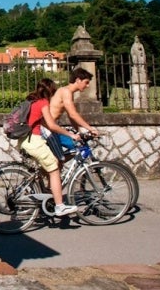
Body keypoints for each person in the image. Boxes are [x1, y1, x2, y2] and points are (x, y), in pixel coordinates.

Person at [19, 78, 81, 216]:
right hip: (34, 141)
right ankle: (60, 206)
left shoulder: (31, 101)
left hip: (24, 141)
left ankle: (45, 195)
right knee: (54, 168)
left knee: (45, 167)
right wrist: (70, 134)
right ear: (51, 91)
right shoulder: (43, 103)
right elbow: (52, 125)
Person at [50, 68, 100, 138]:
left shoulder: (68, 92)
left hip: (52, 126)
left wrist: (78, 131)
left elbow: (71, 116)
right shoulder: (66, 92)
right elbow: (73, 114)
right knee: (67, 145)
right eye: (86, 82)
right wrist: (90, 129)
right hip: (48, 127)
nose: (87, 86)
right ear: (78, 80)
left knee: (71, 144)